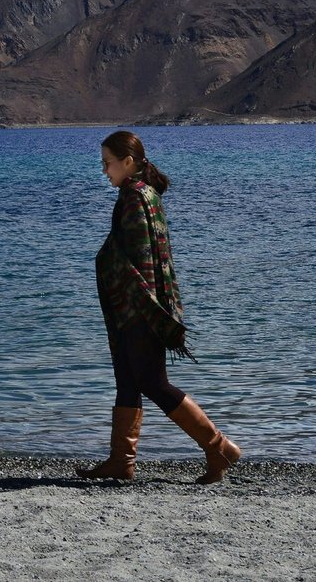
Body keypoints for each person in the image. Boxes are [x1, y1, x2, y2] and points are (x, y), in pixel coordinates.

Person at [75, 130, 241, 484]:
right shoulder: (142, 194)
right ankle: (121, 461)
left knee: (152, 382)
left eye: (108, 164)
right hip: (136, 308)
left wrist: (118, 284)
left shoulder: (136, 198)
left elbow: (138, 263)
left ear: (128, 162)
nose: (104, 171)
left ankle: (219, 447)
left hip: (139, 308)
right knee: (127, 380)